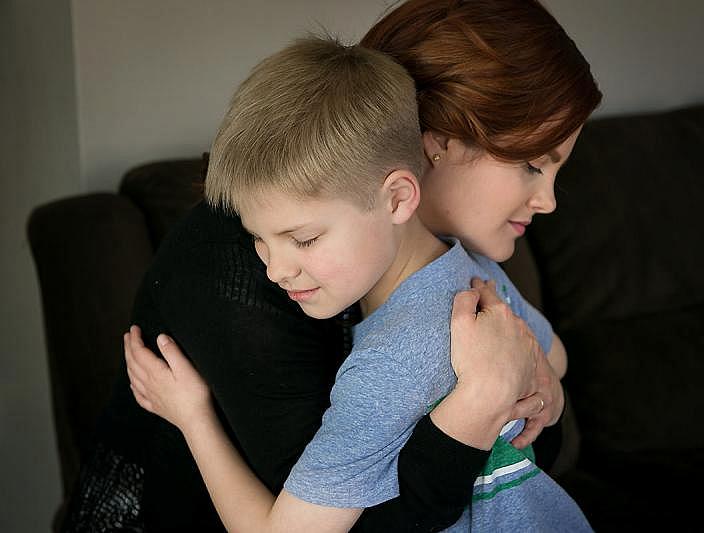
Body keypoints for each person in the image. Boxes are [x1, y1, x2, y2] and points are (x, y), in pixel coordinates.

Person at [61, 1, 600, 531]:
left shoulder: (461, 269)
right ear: (434, 140)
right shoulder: (250, 266)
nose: (549, 201)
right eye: (532, 164)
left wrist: (539, 396)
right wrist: (477, 406)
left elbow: (522, 464)